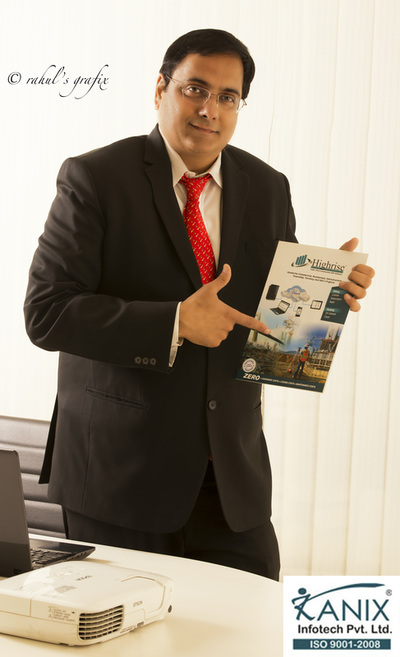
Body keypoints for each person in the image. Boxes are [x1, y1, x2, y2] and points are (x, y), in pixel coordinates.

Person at [24, 29, 374, 580]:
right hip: (120, 479)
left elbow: (273, 328)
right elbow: (47, 312)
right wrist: (176, 322)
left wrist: (326, 296)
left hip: (232, 481)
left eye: (228, 97)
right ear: (160, 89)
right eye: (196, 89)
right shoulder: (95, 177)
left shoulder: (268, 186)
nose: (210, 109)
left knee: (254, 622)